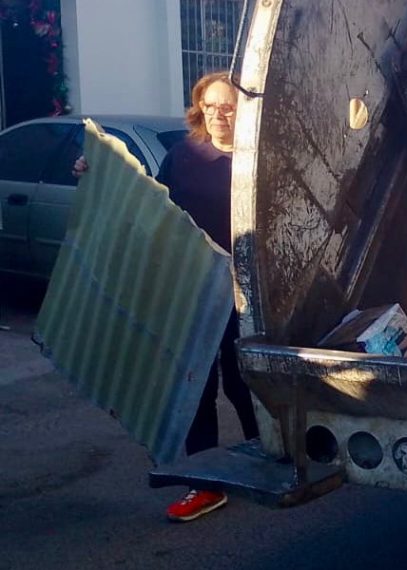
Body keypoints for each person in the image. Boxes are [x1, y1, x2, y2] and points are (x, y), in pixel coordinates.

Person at [77, 71, 260, 522]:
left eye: (229, 106)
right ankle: (205, 482)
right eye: (211, 106)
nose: (219, 115)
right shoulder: (186, 154)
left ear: (245, 111)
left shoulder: (260, 160)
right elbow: (153, 203)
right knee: (198, 385)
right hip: (195, 284)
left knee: (246, 383)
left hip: (246, 292)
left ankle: (268, 457)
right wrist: (97, 172)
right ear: (200, 110)